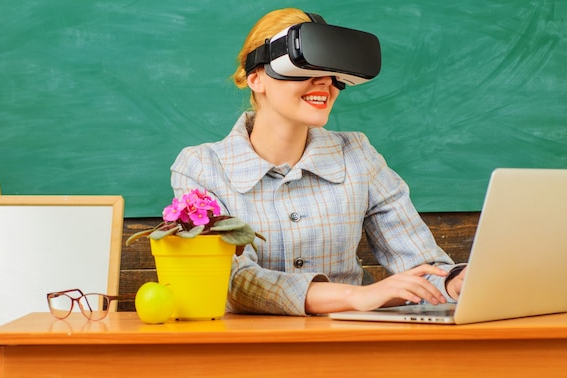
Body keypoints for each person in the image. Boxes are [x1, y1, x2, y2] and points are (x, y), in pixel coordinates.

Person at [170, 8, 466, 316]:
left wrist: (456, 281)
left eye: (331, 70)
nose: (325, 81)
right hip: (247, 350)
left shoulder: (357, 155)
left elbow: (421, 265)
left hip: (349, 345)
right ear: (256, 78)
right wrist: (356, 296)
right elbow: (233, 280)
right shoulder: (201, 167)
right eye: (304, 66)